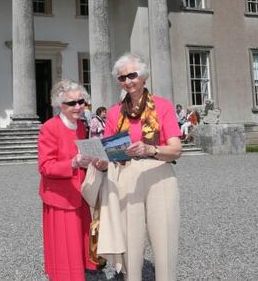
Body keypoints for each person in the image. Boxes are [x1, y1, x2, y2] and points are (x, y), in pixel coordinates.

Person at [98, 53, 183, 281]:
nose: (128, 81)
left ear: (143, 77)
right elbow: (107, 150)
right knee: (130, 242)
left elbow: (176, 149)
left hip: (159, 173)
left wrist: (151, 149)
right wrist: (96, 159)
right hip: (126, 175)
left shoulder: (162, 106)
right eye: (122, 77)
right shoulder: (114, 112)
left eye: (132, 75)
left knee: (164, 241)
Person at [37, 79, 100, 281]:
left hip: (80, 194)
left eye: (81, 101)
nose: (78, 107)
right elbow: (45, 166)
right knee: (65, 247)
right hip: (60, 197)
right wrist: (72, 163)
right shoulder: (49, 127)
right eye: (71, 103)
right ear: (60, 105)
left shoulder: (82, 126)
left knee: (78, 244)